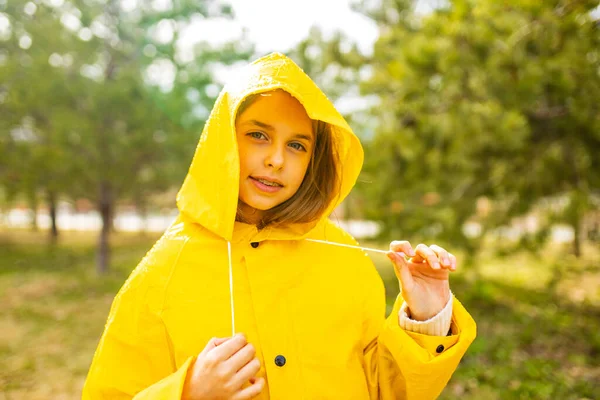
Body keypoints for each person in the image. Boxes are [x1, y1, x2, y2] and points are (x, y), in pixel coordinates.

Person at [82, 52, 476, 400]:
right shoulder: (162, 273)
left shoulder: (347, 262)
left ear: (314, 159)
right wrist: (187, 393)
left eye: (297, 145)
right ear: (223, 141)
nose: (276, 159)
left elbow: (386, 389)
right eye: (258, 135)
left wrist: (426, 320)